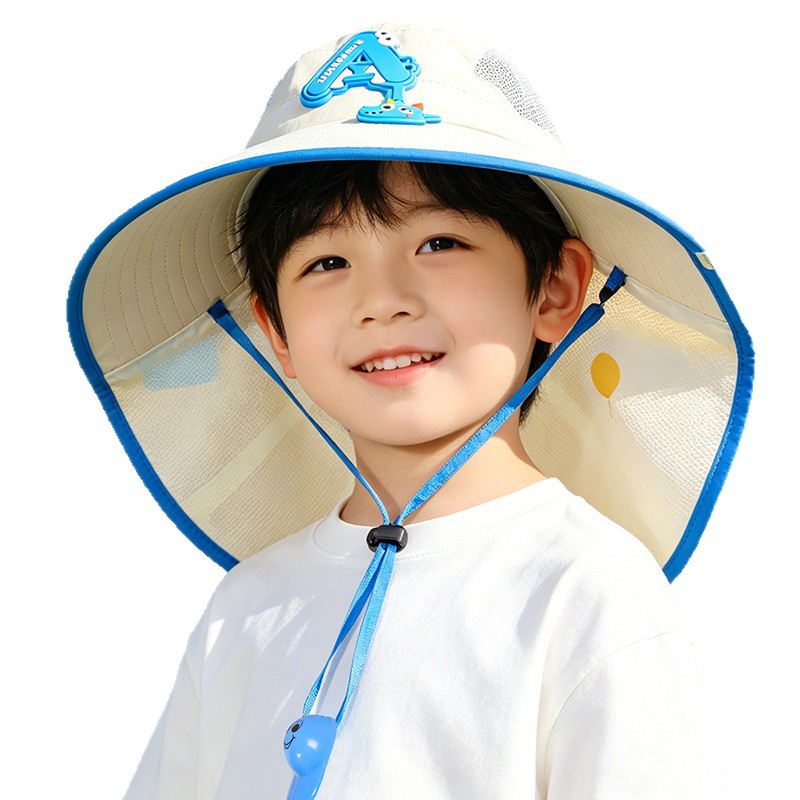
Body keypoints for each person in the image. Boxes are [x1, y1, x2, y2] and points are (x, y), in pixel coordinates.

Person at [67, 24, 753, 800]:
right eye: (327, 261)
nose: (383, 301)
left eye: (440, 243)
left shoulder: (586, 589)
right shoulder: (248, 607)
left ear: (556, 289)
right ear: (275, 331)